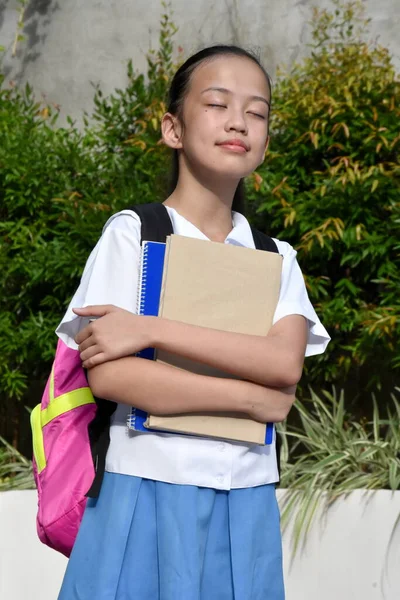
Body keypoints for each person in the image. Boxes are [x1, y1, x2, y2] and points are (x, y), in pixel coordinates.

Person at [56, 45, 330, 600]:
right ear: (172, 128)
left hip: (245, 497)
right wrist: (251, 399)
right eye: (217, 103)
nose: (238, 122)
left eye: (257, 112)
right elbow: (113, 377)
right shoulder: (132, 234)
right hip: (143, 487)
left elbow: (282, 363)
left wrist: (151, 330)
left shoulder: (276, 256)